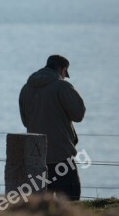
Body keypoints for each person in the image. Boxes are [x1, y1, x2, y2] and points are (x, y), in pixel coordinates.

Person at [19, 54, 86, 200]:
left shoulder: (26, 88)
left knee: (41, 205)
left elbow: (25, 121)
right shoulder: (62, 86)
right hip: (61, 155)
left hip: (37, 156)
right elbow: (78, 114)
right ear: (63, 70)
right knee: (71, 201)